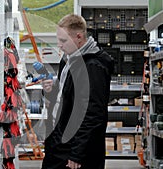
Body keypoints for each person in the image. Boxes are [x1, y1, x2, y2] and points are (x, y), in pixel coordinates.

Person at [41, 14, 114, 169]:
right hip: (59, 141)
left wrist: (77, 153)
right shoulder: (67, 60)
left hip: (74, 150)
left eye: (63, 40)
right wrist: (52, 91)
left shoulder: (93, 67)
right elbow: (66, 98)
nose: (59, 45)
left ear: (79, 37)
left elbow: (93, 114)